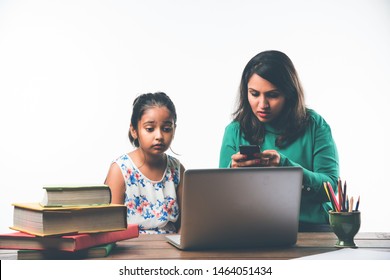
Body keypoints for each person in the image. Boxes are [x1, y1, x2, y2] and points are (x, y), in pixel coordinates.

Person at [219, 50, 339, 231]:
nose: (262, 104)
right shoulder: (235, 130)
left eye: (272, 95)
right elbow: (222, 198)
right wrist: (232, 171)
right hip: (253, 228)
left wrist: (286, 166)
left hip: (312, 228)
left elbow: (331, 188)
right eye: (254, 94)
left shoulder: (315, 125)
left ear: (289, 94)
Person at [105, 92, 185, 234]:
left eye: (166, 129)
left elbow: (187, 222)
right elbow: (110, 227)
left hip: (171, 248)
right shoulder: (120, 170)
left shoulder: (177, 170)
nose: (159, 136)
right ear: (134, 130)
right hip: (130, 249)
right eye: (150, 129)